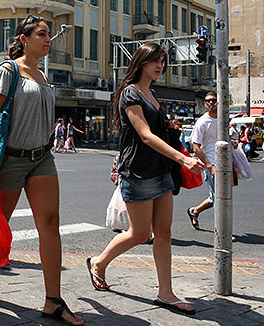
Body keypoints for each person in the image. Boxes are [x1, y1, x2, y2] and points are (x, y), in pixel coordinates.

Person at [0, 15, 84, 324]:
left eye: (48, 34)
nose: (48, 39)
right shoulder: (7, 71)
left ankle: (54, 300)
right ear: (24, 38)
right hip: (11, 158)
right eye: (41, 34)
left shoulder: (43, 76)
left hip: (42, 158)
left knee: (50, 223)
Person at [87, 43, 203, 316]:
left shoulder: (152, 94)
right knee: (139, 234)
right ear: (140, 62)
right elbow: (145, 135)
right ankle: (99, 264)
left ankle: (166, 292)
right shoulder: (130, 93)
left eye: (162, 61)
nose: (160, 65)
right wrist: (183, 159)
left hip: (160, 170)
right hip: (138, 171)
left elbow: (157, 133)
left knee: (163, 233)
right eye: (154, 60)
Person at [187, 92, 218, 231]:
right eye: (208, 101)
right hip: (212, 163)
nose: (211, 103)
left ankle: (195, 211)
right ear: (205, 103)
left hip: (224, 162)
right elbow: (196, 148)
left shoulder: (224, 119)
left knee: (217, 198)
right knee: (219, 199)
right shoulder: (202, 122)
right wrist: (209, 165)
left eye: (214, 100)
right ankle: (222, 232)